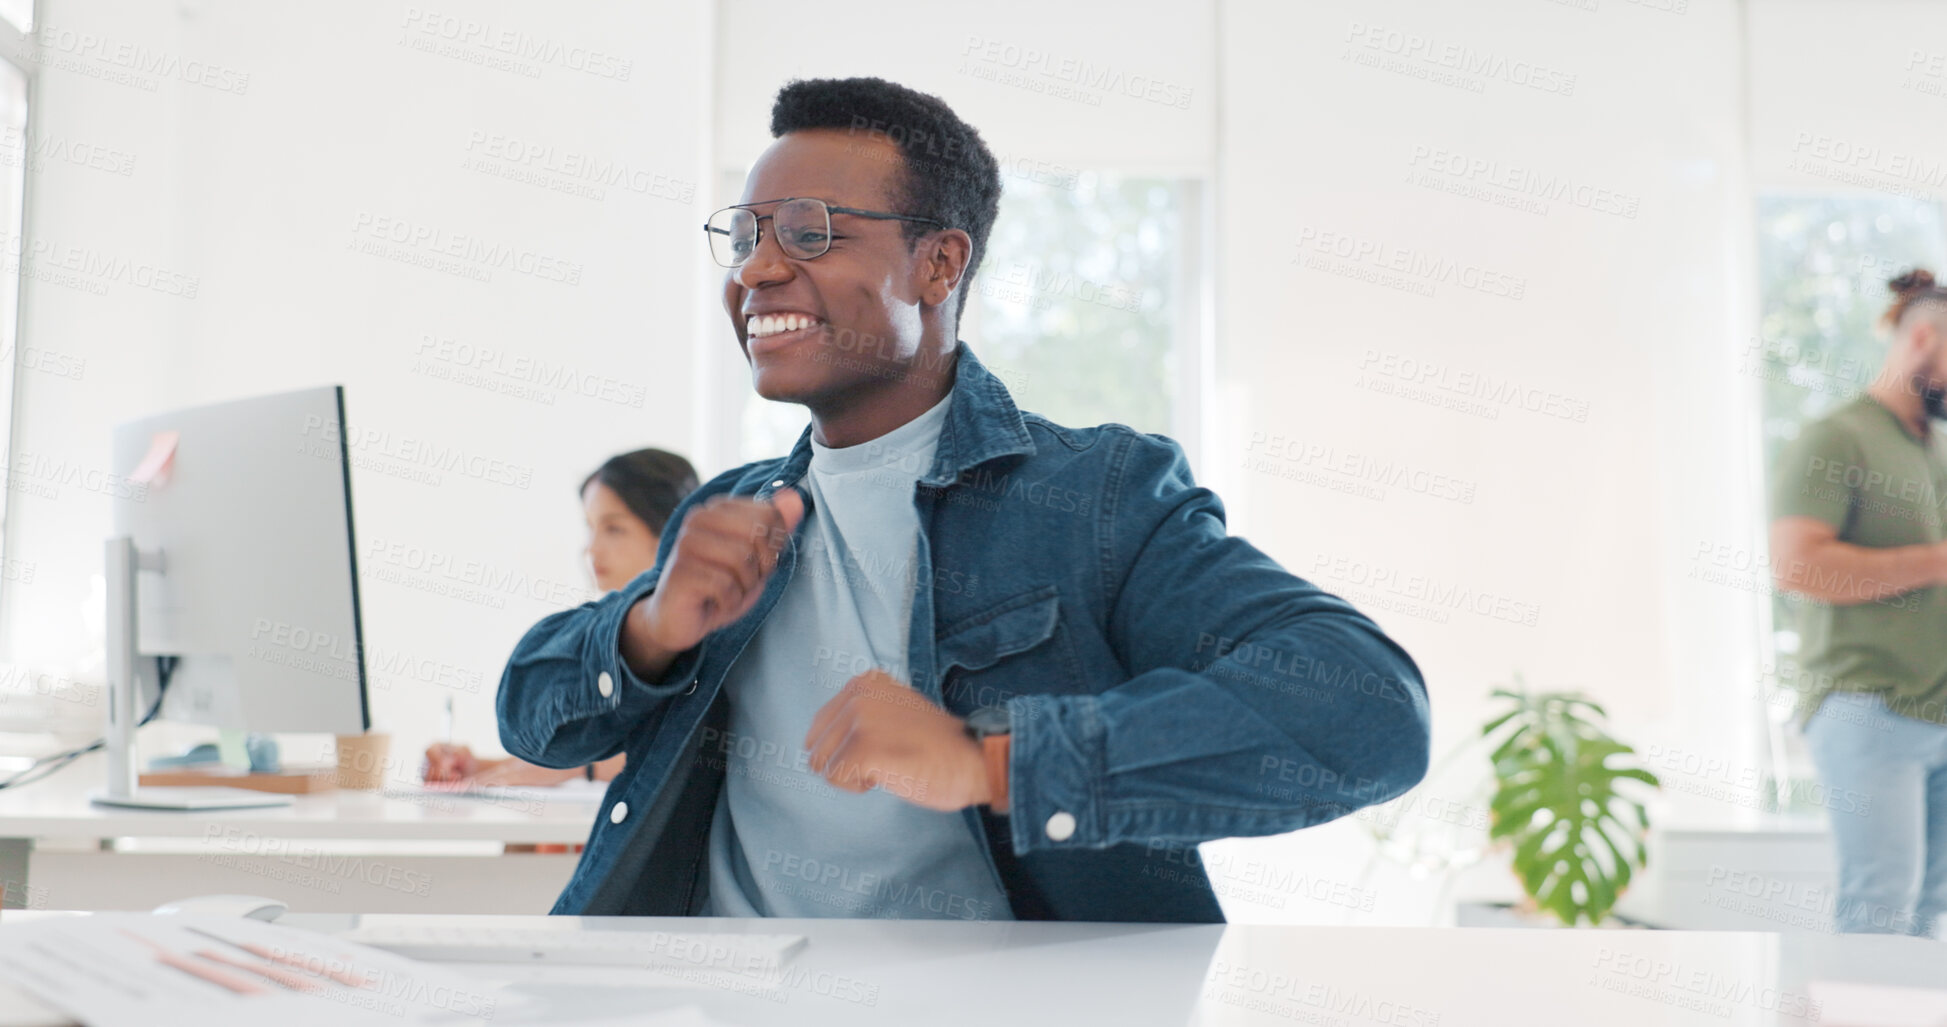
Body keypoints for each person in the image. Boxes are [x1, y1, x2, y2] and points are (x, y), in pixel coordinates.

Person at [498, 76, 1431, 921]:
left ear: (939, 264)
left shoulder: (1094, 499)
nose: (755, 269)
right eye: (744, 237)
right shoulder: (735, 513)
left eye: (810, 230)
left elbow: (1371, 713)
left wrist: (992, 761)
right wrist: (651, 630)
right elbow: (530, 713)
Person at [1769, 268, 1947, 938]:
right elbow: (1796, 565)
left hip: (1938, 710)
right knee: (1879, 907)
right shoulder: (1836, 438)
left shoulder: (1935, 451)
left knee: (1930, 919)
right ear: (1922, 339)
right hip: (1867, 707)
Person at [426, 448, 698, 786]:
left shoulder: (698, 639)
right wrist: (481, 767)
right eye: (590, 527)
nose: (591, 549)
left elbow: (659, 754)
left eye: (613, 529)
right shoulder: (600, 644)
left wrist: (508, 775)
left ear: (669, 533)